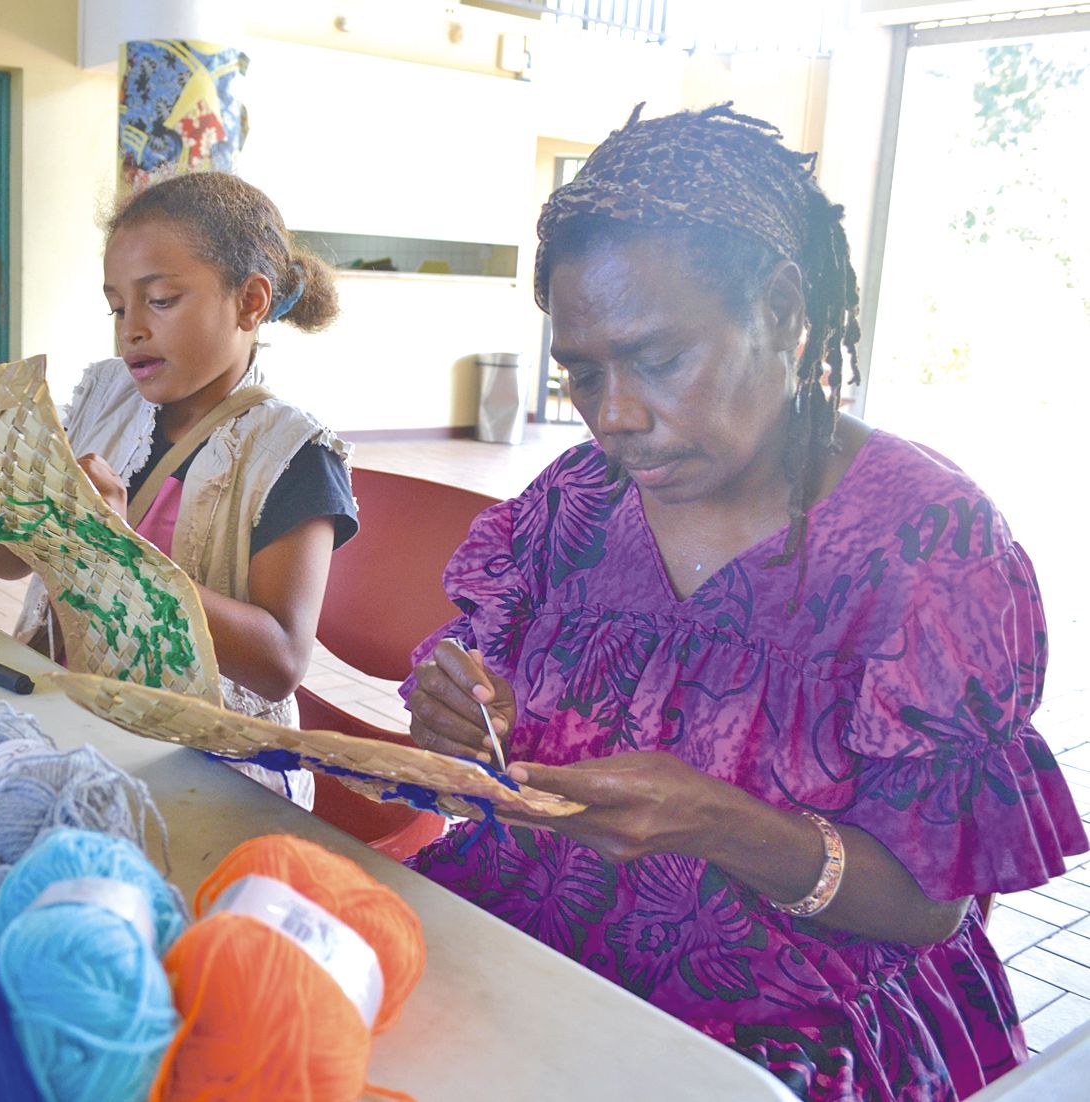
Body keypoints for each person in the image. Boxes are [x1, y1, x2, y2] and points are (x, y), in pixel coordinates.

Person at [404, 104, 1087, 1101]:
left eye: (659, 359)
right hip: (537, 940)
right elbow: (479, 708)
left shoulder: (927, 547)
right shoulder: (574, 502)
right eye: (582, 373)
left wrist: (721, 823)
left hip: (794, 1020)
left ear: (779, 308)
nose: (615, 416)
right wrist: (457, 709)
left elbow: (929, 905)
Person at [0, 171, 358, 806]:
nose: (131, 330)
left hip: (207, 768)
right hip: (64, 711)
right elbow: (15, 562)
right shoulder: (105, 398)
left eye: (162, 300)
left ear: (251, 303)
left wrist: (117, 556)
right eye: (117, 307)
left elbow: (280, 661)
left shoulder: (290, 454)